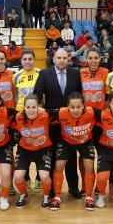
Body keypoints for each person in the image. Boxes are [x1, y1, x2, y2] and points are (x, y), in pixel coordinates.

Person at [34, 49, 83, 199]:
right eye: (58, 58)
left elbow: (79, 95)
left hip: (70, 122)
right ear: (53, 59)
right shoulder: (44, 74)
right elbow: (37, 94)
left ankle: (73, 187)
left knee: (71, 155)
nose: (61, 60)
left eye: (64, 57)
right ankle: (50, 189)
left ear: (68, 59)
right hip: (52, 121)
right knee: (53, 154)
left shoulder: (75, 73)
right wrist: (40, 109)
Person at [48, 92, 98, 211]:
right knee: (59, 166)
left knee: (89, 166)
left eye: (78, 107)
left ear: (84, 106)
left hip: (85, 142)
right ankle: (57, 197)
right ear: (67, 107)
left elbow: (110, 114)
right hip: (66, 142)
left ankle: (89, 197)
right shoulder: (60, 113)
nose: (75, 110)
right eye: (72, 107)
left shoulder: (92, 112)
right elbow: (45, 114)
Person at [12, 94, 53, 208]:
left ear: (38, 107)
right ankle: (23, 194)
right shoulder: (18, 117)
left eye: (34, 107)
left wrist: (44, 109)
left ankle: (45, 196)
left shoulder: (45, 115)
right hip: (24, 150)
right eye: (28, 107)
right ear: (24, 107)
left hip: (42, 149)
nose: (30, 110)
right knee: (18, 176)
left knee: (44, 176)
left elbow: (60, 112)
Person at [13, 49, 42, 190]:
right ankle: (24, 177)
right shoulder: (16, 76)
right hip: (21, 115)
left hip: (38, 115)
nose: (27, 62)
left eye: (30, 59)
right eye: (25, 59)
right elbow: (14, 95)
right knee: (23, 145)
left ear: (34, 60)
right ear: (21, 61)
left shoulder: (40, 74)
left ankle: (38, 178)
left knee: (38, 145)